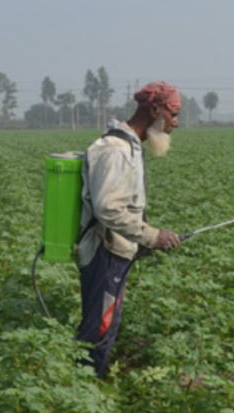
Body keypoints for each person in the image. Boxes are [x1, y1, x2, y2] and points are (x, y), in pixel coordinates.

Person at [75, 81, 182, 378]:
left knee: (105, 325)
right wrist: (152, 235)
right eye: (173, 114)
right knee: (99, 328)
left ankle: (89, 384)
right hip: (105, 255)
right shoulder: (116, 150)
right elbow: (108, 208)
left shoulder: (131, 146)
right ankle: (83, 388)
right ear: (156, 110)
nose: (176, 123)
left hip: (116, 255)